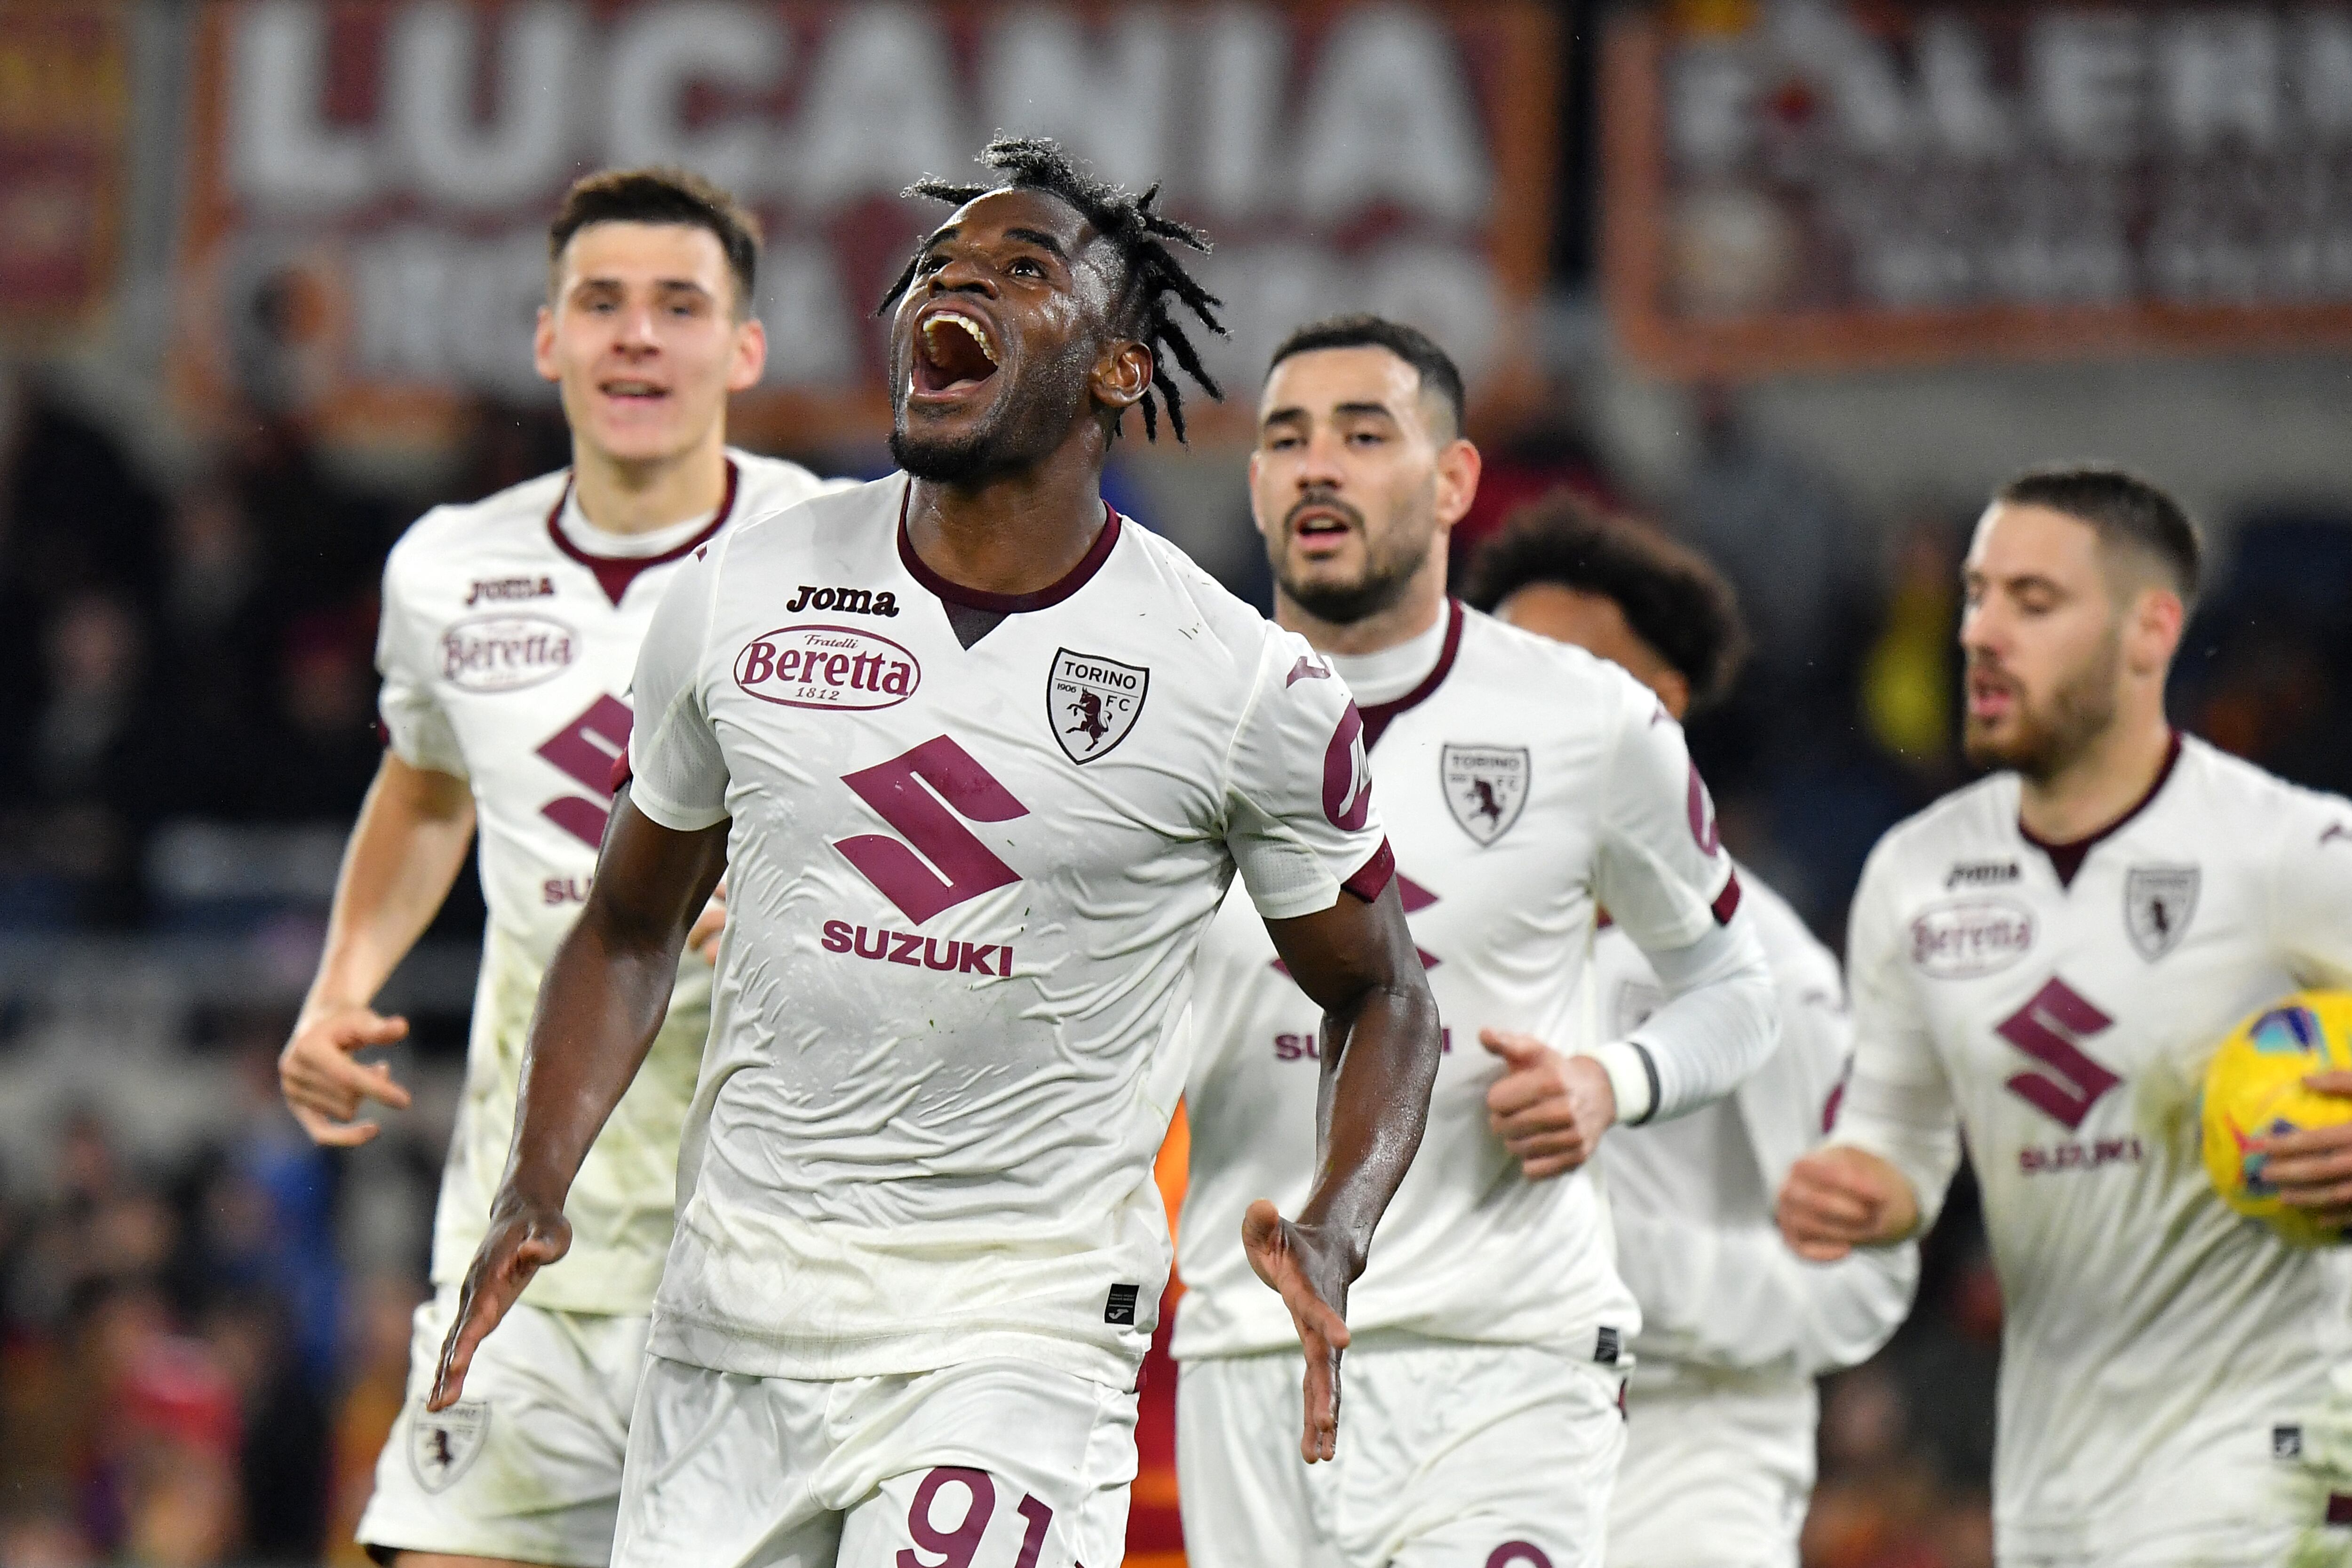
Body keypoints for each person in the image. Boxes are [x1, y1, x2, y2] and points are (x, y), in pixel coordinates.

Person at [427, 139, 1443, 1568]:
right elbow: (630, 923)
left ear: (1115, 369)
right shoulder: (738, 594)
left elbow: (1384, 988)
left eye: (1027, 271)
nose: (955, 284)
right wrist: (537, 1177)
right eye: (940, 269)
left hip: (1015, 1337)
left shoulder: (1238, 683)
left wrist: (1339, 1218)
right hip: (734, 1323)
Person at [277, 166, 846, 1567]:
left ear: (746, 349)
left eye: (678, 305)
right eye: (602, 303)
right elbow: (423, 787)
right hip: (529, 1235)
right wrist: (338, 983)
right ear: (548, 339)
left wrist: (805, 893)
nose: (637, 336)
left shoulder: (847, 557)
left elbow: (961, 823)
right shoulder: (447, 568)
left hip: (776, 1263)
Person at [1172, 315, 1779, 1568]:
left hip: (1507, 1353)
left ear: (1454, 481)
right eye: (1287, 439)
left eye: (1363, 433)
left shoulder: (1585, 720)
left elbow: (1734, 985)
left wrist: (1616, 1080)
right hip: (1248, 1345)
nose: (1318, 465)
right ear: (1257, 484)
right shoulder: (1173, 722)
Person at [1778, 466, 2352, 1564]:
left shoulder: (2284, 848)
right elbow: (1899, 1143)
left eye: (2033, 604)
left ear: (2150, 631)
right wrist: (1863, 1191)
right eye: (1978, 598)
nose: (1986, 634)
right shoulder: (1917, 876)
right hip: (2058, 1463)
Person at [1466, 499, 1918, 1568]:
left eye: (1559, 666)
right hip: (1471, 1441)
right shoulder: (1434, 939)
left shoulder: (1765, 968)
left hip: (1687, 1457)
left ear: (1655, 703)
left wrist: (1626, 1272)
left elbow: (1861, 1279)